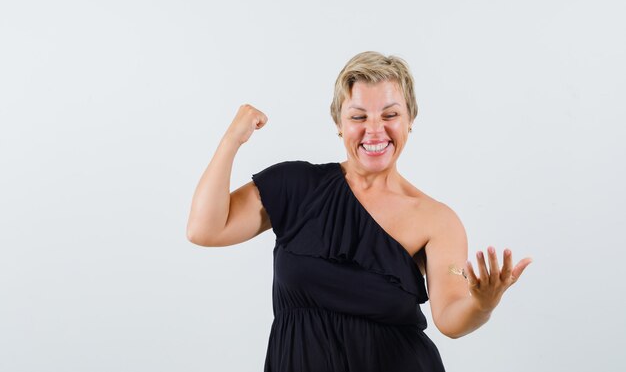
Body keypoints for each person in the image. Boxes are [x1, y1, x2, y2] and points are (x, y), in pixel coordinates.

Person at [186, 51, 532, 372]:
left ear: (410, 119)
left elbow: (451, 319)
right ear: (339, 122)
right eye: (358, 116)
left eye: (390, 114)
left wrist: (482, 304)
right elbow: (205, 230)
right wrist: (232, 139)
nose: (375, 129)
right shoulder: (294, 185)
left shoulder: (436, 220)